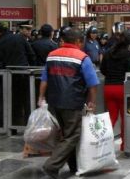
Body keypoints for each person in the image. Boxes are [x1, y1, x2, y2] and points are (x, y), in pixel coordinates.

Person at [38, 27, 99, 178]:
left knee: (66, 134)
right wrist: (91, 102)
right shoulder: (82, 57)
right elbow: (92, 84)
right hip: (73, 102)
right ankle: (51, 166)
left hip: (54, 102)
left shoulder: (52, 55)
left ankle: (74, 165)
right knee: (73, 135)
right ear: (78, 41)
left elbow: (44, 79)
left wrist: (41, 97)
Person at [100, 31, 130, 151]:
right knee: (124, 118)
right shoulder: (127, 54)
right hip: (122, 89)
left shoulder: (108, 52)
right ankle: (124, 145)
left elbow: (103, 69)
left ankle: (103, 145)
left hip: (108, 88)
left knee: (111, 117)